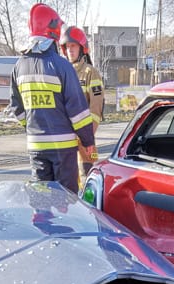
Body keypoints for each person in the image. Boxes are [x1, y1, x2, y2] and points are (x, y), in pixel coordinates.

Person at [8, 3, 96, 193]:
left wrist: (32, 127)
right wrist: (88, 141)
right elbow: (78, 112)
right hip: (63, 147)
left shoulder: (18, 67)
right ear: (54, 30)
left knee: (42, 196)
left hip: (36, 147)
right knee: (65, 199)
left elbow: (17, 108)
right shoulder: (62, 67)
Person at [60, 25, 104, 178]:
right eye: (67, 46)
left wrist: (88, 136)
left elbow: (96, 107)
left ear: (82, 48)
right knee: (67, 178)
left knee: (87, 174)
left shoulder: (90, 73)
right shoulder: (62, 72)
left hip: (84, 136)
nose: (70, 50)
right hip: (65, 136)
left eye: (73, 46)